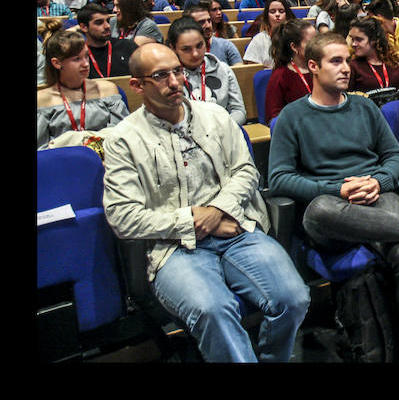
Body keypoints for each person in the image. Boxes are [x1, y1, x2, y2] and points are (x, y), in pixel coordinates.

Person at [268, 32, 399, 362]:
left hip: (376, 194)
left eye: (346, 60)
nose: (345, 68)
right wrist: (336, 189)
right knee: (319, 211)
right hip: (333, 211)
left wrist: (377, 182)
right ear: (312, 66)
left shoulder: (364, 106)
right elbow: (279, 178)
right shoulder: (292, 117)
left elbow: (395, 157)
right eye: (335, 61)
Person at [102, 43, 308, 362]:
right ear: (137, 85)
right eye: (160, 75)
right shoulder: (122, 139)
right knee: (214, 311)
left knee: (293, 298)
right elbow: (122, 216)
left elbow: (245, 170)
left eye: (177, 71)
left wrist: (217, 211)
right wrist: (194, 221)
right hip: (175, 248)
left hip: (236, 230)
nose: (174, 82)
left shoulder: (214, 116)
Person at [37, 25, 129, 148]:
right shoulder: (43, 100)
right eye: (77, 59)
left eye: (86, 56)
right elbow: (42, 150)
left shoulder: (107, 89)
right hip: (64, 162)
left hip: (109, 158)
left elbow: (123, 135)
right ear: (57, 63)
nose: (86, 64)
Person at [167, 17, 246, 125]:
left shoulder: (223, 69)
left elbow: (238, 111)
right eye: (186, 49)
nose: (195, 53)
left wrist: (222, 129)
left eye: (199, 46)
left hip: (222, 132)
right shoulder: (168, 78)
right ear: (173, 48)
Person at [264, 20, 317, 123]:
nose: (317, 46)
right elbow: (274, 117)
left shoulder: (322, 69)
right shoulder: (280, 76)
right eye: (311, 42)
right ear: (294, 47)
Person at [348, 16, 399, 92]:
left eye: (358, 39)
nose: (353, 44)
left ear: (373, 39)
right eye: (352, 39)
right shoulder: (352, 67)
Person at [77, 3, 138, 79]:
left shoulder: (128, 46)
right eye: (99, 23)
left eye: (107, 21)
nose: (107, 26)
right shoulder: (77, 54)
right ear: (84, 27)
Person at [182, 2, 243, 67]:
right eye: (201, 22)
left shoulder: (226, 44)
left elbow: (239, 68)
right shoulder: (182, 50)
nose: (208, 26)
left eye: (209, 21)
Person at [243, 0, 295, 68]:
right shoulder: (259, 39)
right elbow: (253, 70)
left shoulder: (295, 37)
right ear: (267, 16)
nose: (277, 14)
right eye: (272, 11)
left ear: (287, 15)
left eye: (281, 11)